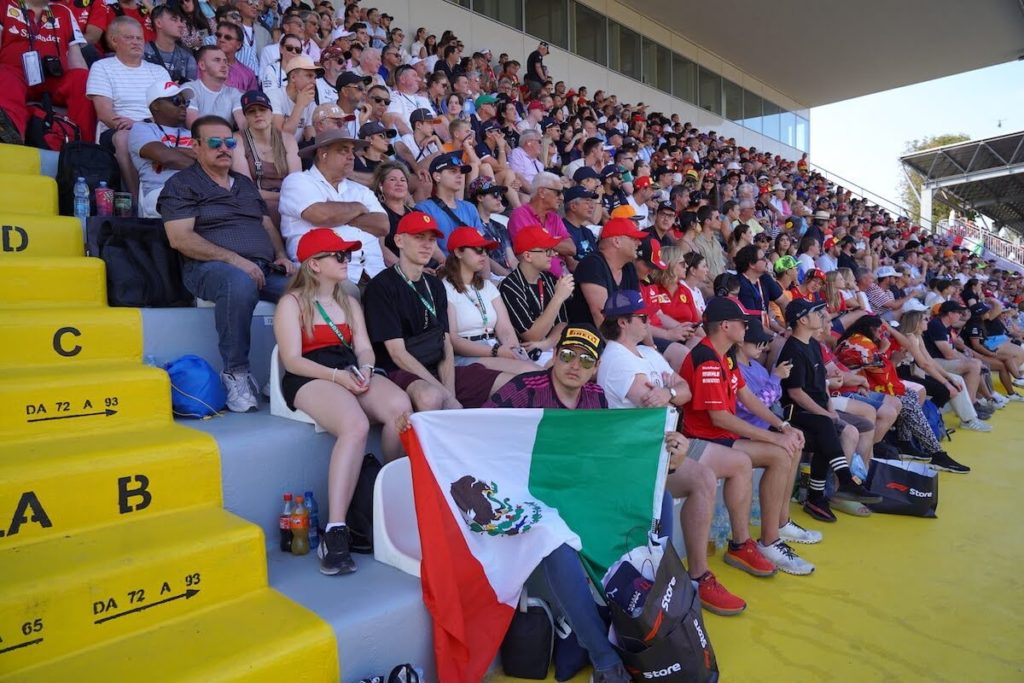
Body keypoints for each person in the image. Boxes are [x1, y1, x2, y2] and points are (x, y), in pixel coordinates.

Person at [483, 324, 632, 683]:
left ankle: (640, 625)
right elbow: (478, 428)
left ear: (596, 368)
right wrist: (420, 424)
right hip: (529, 498)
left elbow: (612, 452)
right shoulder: (525, 388)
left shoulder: (596, 396)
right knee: (556, 542)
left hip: (578, 495)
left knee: (660, 500)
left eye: (586, 360)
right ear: (554, 357)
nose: (574, 365)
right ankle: (604, 659)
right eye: (567, 355)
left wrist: (667, 452)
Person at [274, 228, 412, 575]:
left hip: (348, 369)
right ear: (314, 264)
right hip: (311, 375)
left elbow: (363, 347)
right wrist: (337, 377)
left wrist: (365, 368)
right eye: (339, 256)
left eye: (347, 255)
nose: (346, 261)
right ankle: (336, 530)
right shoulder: (292, 303)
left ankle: (389, 499)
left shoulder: (350, 301)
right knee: (356, 425)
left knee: (400, 408)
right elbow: (292, 360)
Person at [160, 114, 296, 412]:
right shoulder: (181, 184)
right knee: (239, 281)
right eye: (214, 142)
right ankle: (236, 373)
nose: (224, 148)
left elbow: (266, 224)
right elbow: (180, 239)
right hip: (207, 268)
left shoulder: (244, 184)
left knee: (307, 291)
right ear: (196, 146)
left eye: (229, 143)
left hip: (263, 266)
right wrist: (235, 259)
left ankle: (288, 374)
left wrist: (281, 255)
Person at [679, 299, 817, 574]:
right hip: (702, 438)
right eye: (742, 322)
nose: (747, 327)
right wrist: (773, 438)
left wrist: (782, 426)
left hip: (720, 435)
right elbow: (719, 418)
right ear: (725, 326)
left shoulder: (726, 354)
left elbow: (747, 397)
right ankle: (764, 541)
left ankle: (771, 535)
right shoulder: (706, 358)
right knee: (779, 454)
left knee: (786, 448)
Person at [363, 212, 511, 411]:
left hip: (438, 368)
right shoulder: (381, 286)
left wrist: (449, 392)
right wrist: (444, 395)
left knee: (511, 384)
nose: (427, 245)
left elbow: (445, 343)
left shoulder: (435, 285)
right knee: (431, 397)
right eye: (419, 237)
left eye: (432, 240)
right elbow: (397, 354)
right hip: (400, 371)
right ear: (399, 241)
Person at [776, 299, 882, 523]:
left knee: (826, 432)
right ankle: (845, 481)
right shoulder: (792, 349)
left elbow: (822, 384)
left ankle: (816, 497)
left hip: (816, 412)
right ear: (802, 320)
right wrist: (824, 414)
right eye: (815, 312)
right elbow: (795, 393)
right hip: (796, 412)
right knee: (826, 425)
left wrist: (830, 408)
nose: (821, 315)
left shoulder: (813, 344)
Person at [835, 315, 971, 473]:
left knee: (910, 396)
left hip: (861, 386)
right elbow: (881, 371)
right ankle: (937, 453)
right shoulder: (861, 343)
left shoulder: (857, 340)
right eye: (879, 331)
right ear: (870, 329)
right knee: (908, 401)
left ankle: (905, 442)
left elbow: (879, 366)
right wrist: (887, 353)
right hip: (852, 389)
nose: (881, 336)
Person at [279, 128, 389, 289]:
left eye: (352, 150)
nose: (352, 156)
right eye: (344, 150)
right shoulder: (298, 181)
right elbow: (321, 215)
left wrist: (339, 217)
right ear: (323, 154)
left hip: (375, 272)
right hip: (323, 275)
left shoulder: (360, 190)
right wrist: (358, 207)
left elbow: (382, 225)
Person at [87, 17, 171, 189]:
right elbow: (105, 114)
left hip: (155, 127)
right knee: (125, 137)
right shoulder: (102, 67)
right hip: (117, 131)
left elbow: (169, 112)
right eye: (129, 37)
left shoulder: (159, 71)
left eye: (139, 38)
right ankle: (135, 198)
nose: (136, 42)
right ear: (114, 41)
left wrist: (139, 125)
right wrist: (136, 128)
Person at [441, 227, 540, 374]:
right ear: (458, 252)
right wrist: (496, 351)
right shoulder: (444, 287)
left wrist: (514, 352)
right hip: (465, 356)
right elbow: (453, 340)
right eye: (478, 249)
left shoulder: (488, 286)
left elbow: (505, 329)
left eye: (486, 250)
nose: (484, 254)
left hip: (496, 348)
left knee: (539, 372)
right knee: (528, 372)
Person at [499, 226, 574, 359]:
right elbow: (532, 336)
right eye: (547, 250)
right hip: (525, 356)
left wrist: (546, 344)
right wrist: (558, 297)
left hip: (551, 348)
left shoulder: (549, 278)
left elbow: (562, 323)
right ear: (528, 256)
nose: (553, 254)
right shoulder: (509, 286)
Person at [232, 90, 301, 228]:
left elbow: (296, 181)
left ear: (271, 112)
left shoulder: (287, 139)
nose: (258, 114)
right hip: (257, 201)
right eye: (251, 111)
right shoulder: (237, 140)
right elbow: (246, 188)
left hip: (289, 199)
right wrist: (283, 197)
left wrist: (289, 198)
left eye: (262, 109)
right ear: (246, 116)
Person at [129, 81, 196, 218]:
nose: (183, 106)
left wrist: (174, 151)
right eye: (176, 101)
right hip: (161, 191)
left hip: (197, 188)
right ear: (156, 106)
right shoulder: (142, 129)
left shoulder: (193, 133)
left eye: (185, 102)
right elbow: (165, 157)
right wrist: (196, 158)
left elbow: (212, 160)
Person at [570, 217, 644, 326]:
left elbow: (638, 311)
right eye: (634, 239)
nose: (639, 243)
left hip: (623, 332)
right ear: (617, 241)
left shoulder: (629, 267)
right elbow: (601, 317)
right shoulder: (592, 264)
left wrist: (652, 339)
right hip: (591, 335)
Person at [508, 171, 576, 277]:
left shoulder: (555, 217)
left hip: (562, 276)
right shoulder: (520, 215)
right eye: (558, 193)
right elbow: (528, 251)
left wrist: (543, 242)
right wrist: (554, 241)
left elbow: (571, 248)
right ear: (542, 192)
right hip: (537, 278)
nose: (562, 197)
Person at [413, 152, 484, 251]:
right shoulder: (424, 209)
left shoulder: (470, 208)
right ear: (437, 176)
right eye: (453, 171)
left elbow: (480, 245)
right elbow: (427, 246)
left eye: (460, 172)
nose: (460, 176)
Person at [184, 45, 246, 130]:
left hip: (226, 137)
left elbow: (243, 124)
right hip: (199, 137)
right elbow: (193, 126)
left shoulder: (234, 93)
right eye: (217, 60)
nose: (224, 65)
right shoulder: (190, 89)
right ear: (202, 65)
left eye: (225, 61)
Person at [267, 54, 321, 141]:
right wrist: (300, 105)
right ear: (293, 77)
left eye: (315, 78)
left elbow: (310, 133)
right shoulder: (273, 96)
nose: (314, 82)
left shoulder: (310, 101)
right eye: (309, 76)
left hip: (296, 148)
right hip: (274, 147)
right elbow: (282, 136)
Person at [144, 5, 198, 85]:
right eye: (174, 19)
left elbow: (192, 89)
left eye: (181, 21)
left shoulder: (188, 58)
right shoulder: (143, 53)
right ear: (158, 23)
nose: (181, 25)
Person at [215, 20, 258, 92]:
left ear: (238, 45)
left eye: (227, 37)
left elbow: (252, 98)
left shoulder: (248, 74)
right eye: (218, 35)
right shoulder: (205, 65)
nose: (221, 39)